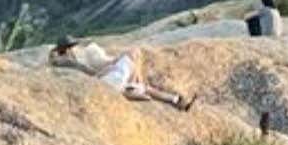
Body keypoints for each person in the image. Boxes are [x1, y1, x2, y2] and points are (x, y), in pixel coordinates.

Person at [51, 37, 195, 111]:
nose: (75, 49)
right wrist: (108, 69)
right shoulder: (71, 62)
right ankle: (134, 90)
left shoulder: (69, 61)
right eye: (72, 47)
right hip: (110, 80)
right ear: (67, 49)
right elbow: (91, 75)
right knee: (139, 79)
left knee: (146, 88)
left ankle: (177, 101)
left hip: (112, 80)